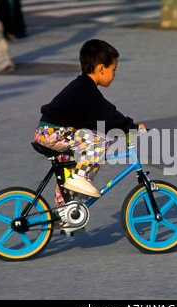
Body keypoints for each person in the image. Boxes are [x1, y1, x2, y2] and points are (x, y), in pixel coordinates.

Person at [34, 39, 146, 200]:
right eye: (113, 70)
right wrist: (132, 128)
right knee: (99, 142)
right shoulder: (86, 91)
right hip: (52, 132)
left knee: (69, 179)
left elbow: (100, 119)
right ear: (101, 69)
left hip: (52, 132)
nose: (114, 75)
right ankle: (81, 179)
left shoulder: (82, 88)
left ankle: (67, 217)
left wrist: (124, 130)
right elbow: (108, 116)